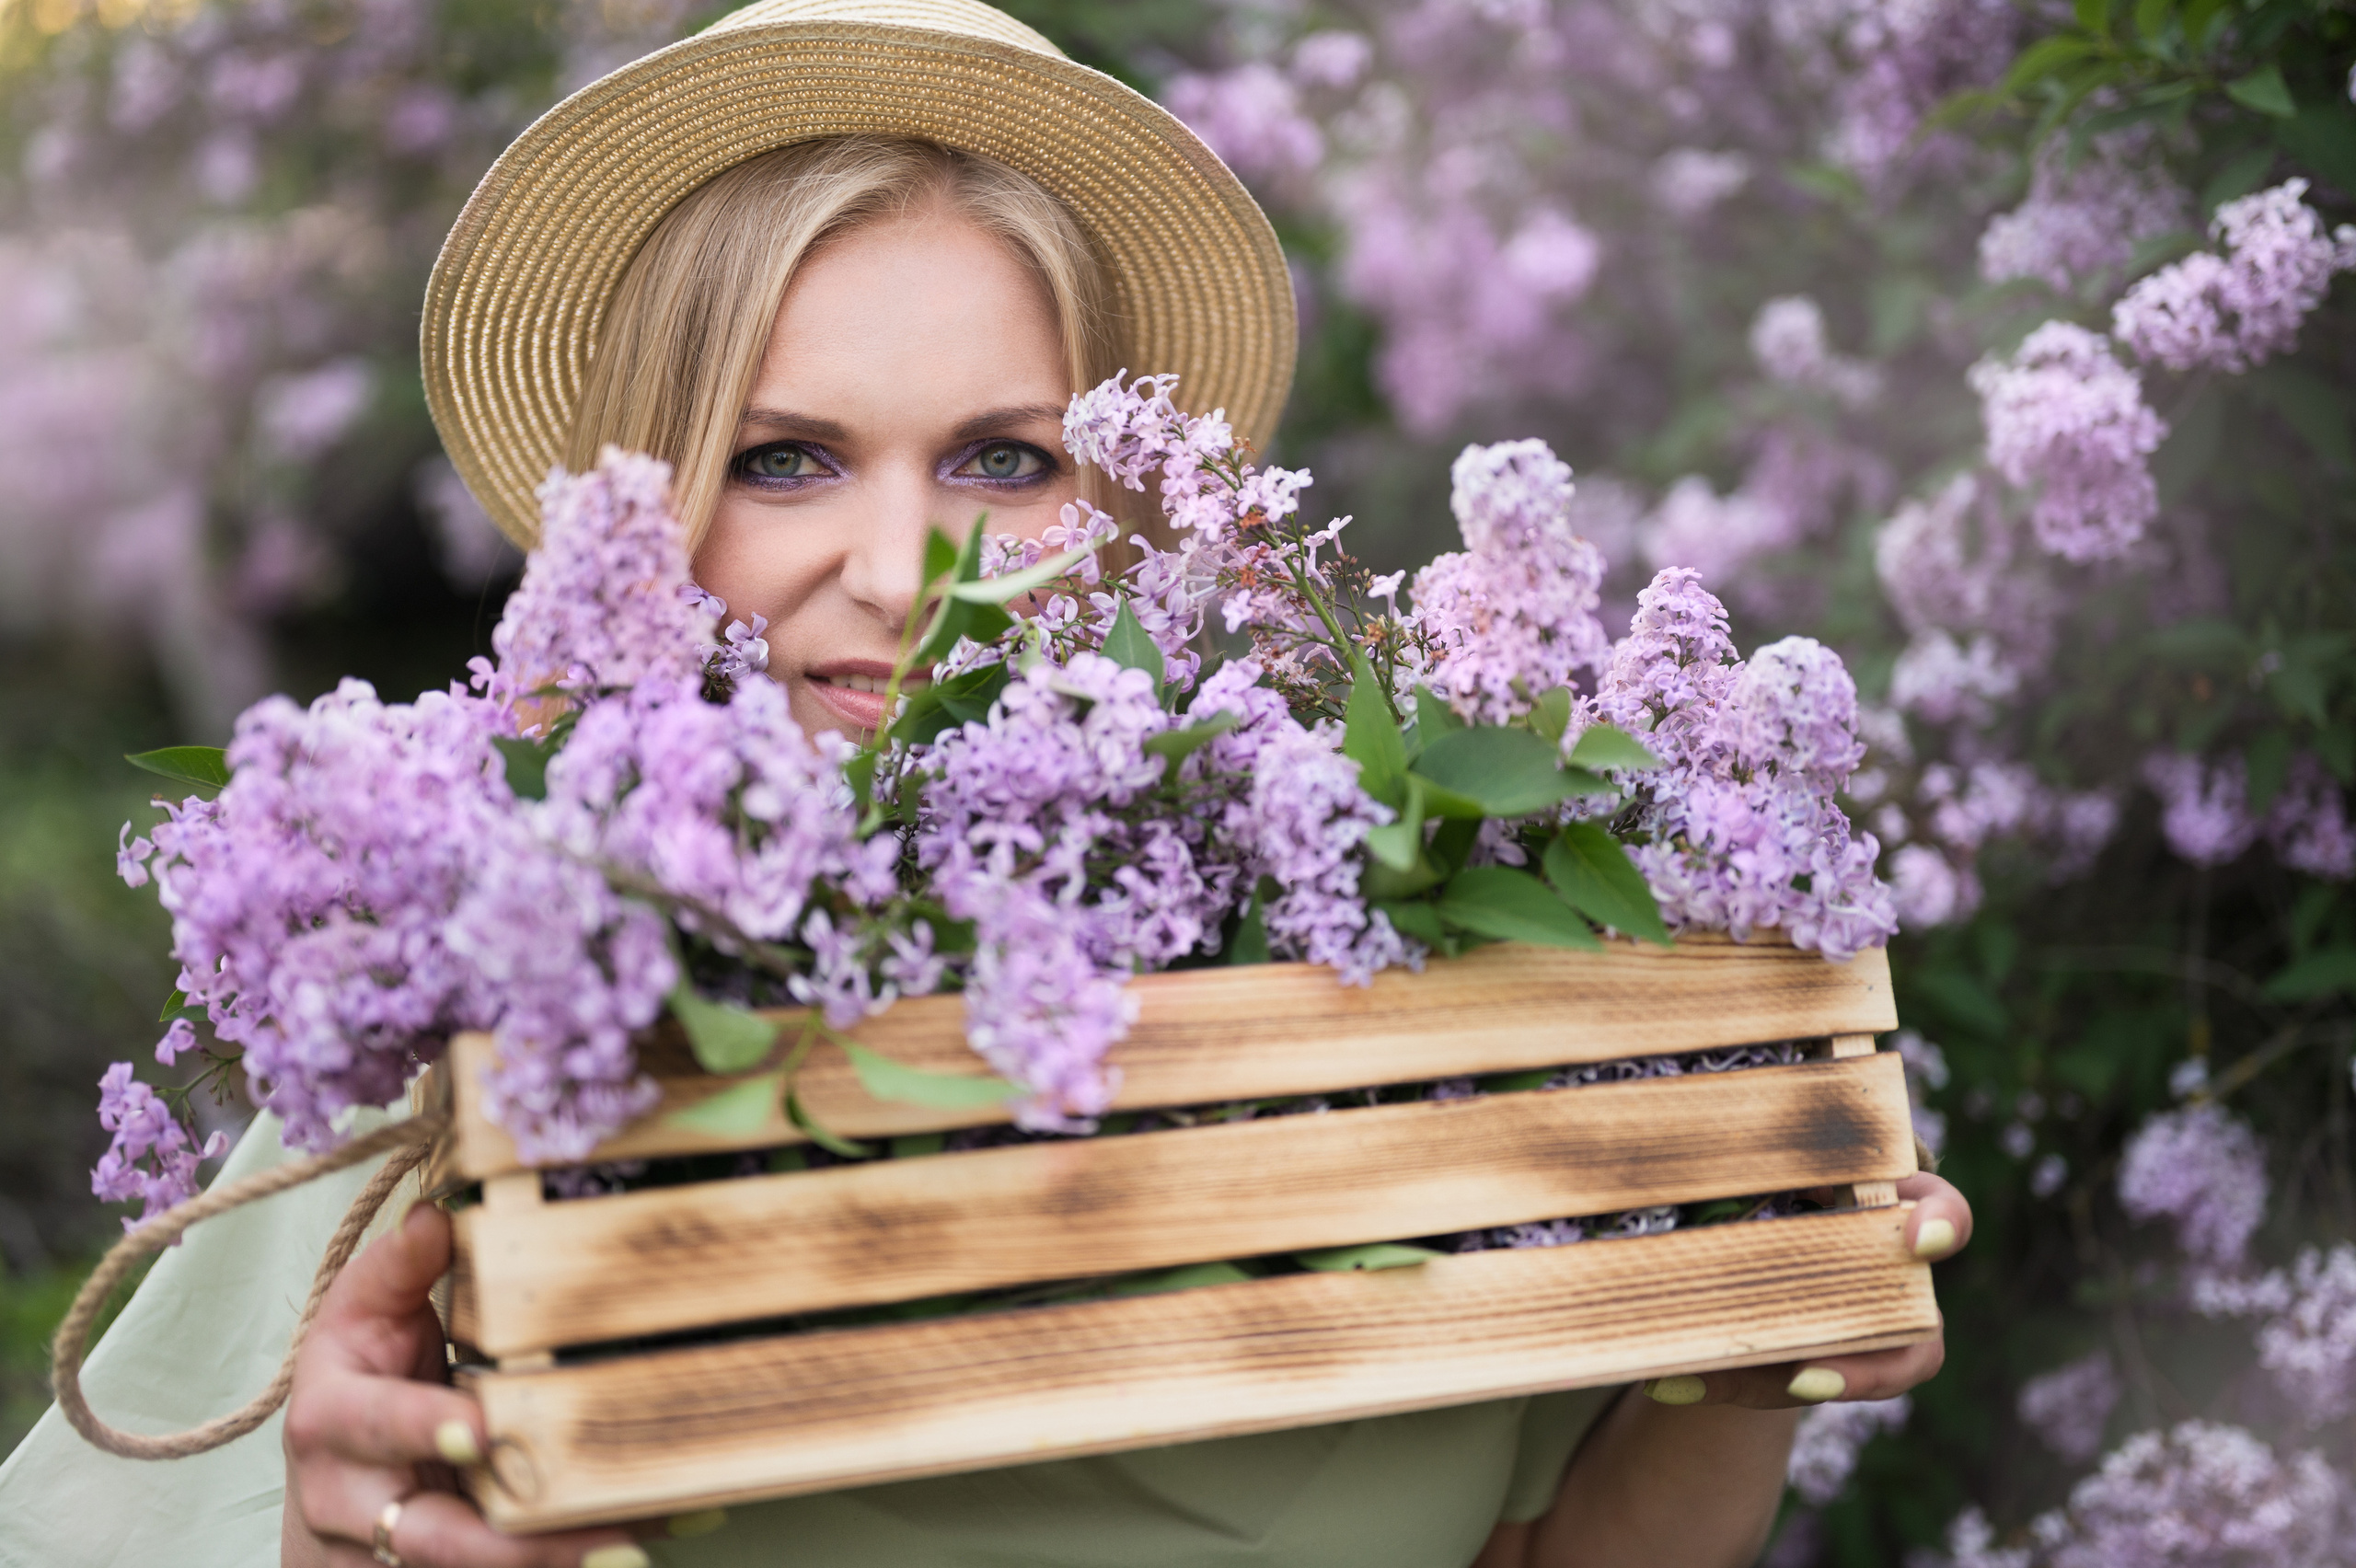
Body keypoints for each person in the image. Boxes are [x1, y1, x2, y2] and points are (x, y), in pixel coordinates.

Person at [0, 4, 1973, 1565]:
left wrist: (1756, 1354)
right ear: (647, 521)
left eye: (999, 465)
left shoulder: (1372, 982)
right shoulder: (474, 1032)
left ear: (1121, 502)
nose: (892, 570)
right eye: (781, 459)